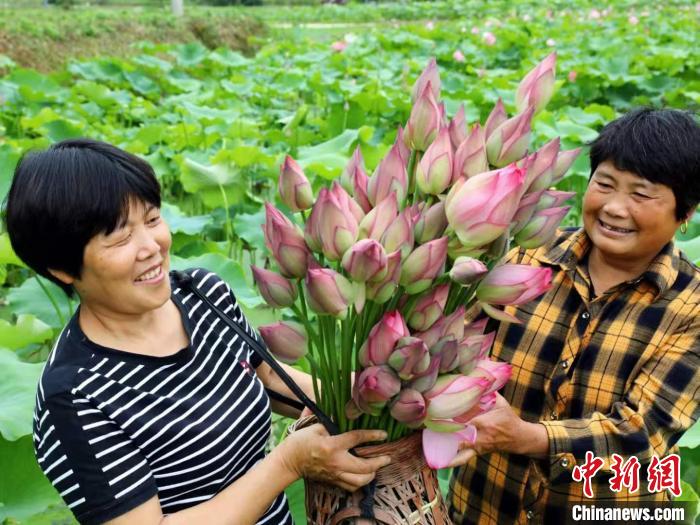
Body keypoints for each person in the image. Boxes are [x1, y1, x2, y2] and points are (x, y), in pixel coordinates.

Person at [4, 139, 391, 525]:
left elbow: (269, 378)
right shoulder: (73, 397)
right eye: (120, 237)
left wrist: (384, 396)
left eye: (153, 219)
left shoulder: (203, 295)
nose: (151, 246)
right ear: (62, 268)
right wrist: (288, 463)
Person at [447, 108, 700, 524]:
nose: (615, 208)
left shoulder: (690, 307)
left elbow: (642, 436)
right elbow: (453, 346)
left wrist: (525, 437)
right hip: (479, 510)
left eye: (640, 194)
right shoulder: (526, 260)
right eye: (604, 184)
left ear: (685, 213)